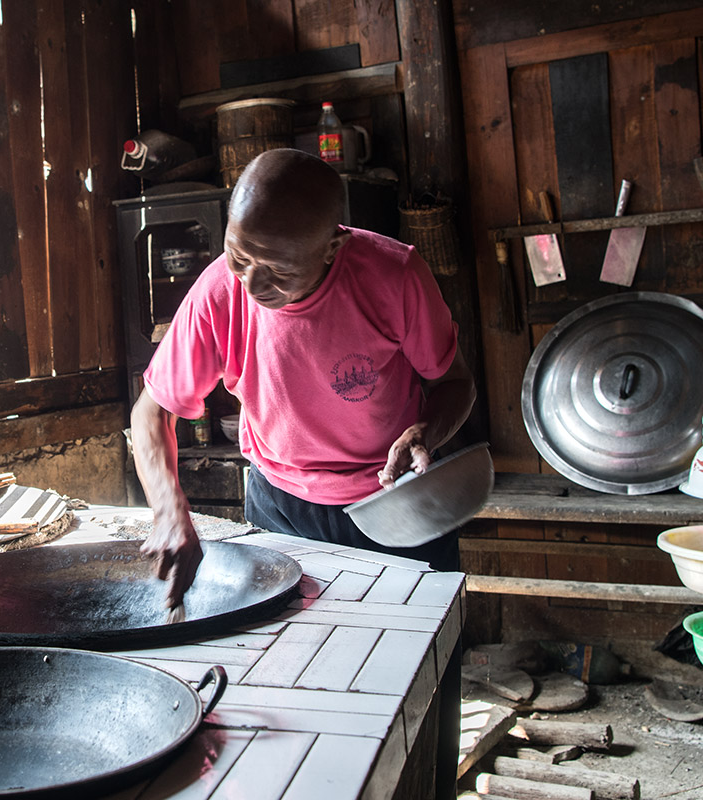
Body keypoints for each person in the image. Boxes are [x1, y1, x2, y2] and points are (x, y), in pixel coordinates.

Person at [129, 147, 476, 799]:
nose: (253, 286)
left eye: (277, 271)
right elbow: (151, 415)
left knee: (416, 681)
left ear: (331, 247)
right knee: (293, 685)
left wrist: (427, 431)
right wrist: (170, 513)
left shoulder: (394, 274)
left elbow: (454, 381)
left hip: (396, 504)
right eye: (240, 257)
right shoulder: (218, 292)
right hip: (280, 504)